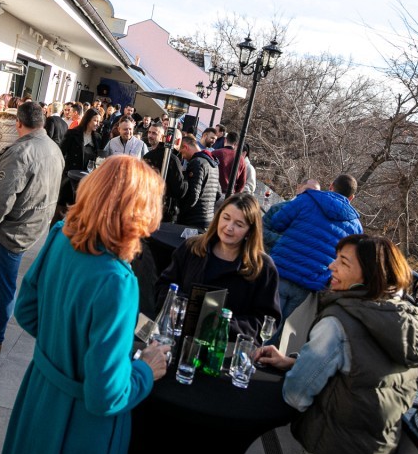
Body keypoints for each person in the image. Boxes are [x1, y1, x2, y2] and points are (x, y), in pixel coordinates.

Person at [0, 156, 169, 454]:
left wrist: (62, 345)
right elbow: (106, 396)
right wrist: (146, 370)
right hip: (80, 429)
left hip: (38, 396)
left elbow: (26, 310)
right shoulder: (117, 281)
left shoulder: (60, 236)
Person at [255, 235, 418, 454]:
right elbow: (363, 373)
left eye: (343, 262)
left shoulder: (338, 322)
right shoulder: (403, 321)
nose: (331, 266)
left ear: (369, 274)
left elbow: (296, 395)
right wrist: (293, 362)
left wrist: (300, 371)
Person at [0, 101, 64, 357]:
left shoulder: (22, 152)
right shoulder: (52, 147)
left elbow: (2, 197)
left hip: (12, 229)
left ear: (18, 122)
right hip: (29, 225)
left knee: (2, 285)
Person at [155, 192, 280, 338]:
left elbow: (266, 321)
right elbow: (163, 285)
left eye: (239, 224)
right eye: (226, 218)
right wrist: (178, 305)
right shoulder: (191, 248)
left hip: (226, 347)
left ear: (250, 231)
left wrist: (224, 325)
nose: (229, 227)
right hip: (178, 337)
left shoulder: (263, 267)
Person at [266, 173, 363, 323]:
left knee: (262, 318)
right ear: (351, 198)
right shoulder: (356, 228)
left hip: (280, 269)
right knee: (280, 327)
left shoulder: (308, 199)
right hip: (309, 283)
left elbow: (277, 222)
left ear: (331, 186)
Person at [142, 123, 186, 221]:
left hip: (151, 207)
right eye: (149, 132)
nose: (150, 135)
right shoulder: (172, 159)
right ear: (178, 141)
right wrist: (186, 179)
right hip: (164, 210)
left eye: (154, 133)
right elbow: (179, 190)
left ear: (163, 137)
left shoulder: (149, 156)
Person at [176, 133, 220, 230]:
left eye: (181, 153)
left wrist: (180, 212)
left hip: (193, 220)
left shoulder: (196, 163)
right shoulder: (213, 164)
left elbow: (193, 195)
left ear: (185, 147)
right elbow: (218, 193)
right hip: (208, 218)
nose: (182, 157)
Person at [60, 107, 101, 173]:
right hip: (71, 174)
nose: (98, 124)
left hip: (87, 175)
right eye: (95, 121)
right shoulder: (72, 134)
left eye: (99, 122)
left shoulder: (97, 138)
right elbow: (61, 153)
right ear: (87, 120)